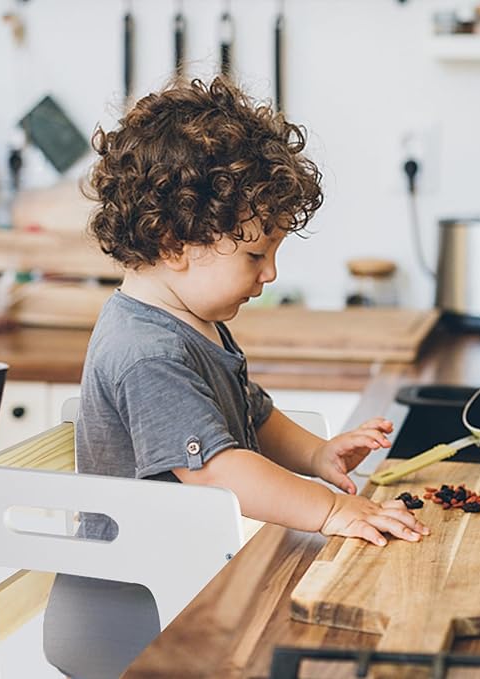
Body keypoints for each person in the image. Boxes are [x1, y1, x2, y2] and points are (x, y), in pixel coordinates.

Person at [43, 77, 428, 678]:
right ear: (174, 243)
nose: (270, 273)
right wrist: (331, 512)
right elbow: (217, 470)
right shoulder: (148, 351)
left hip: (178, 577)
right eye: (255, 254)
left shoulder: (191, 322)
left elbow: (250, 416)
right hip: (131, 608)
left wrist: (317, 455)